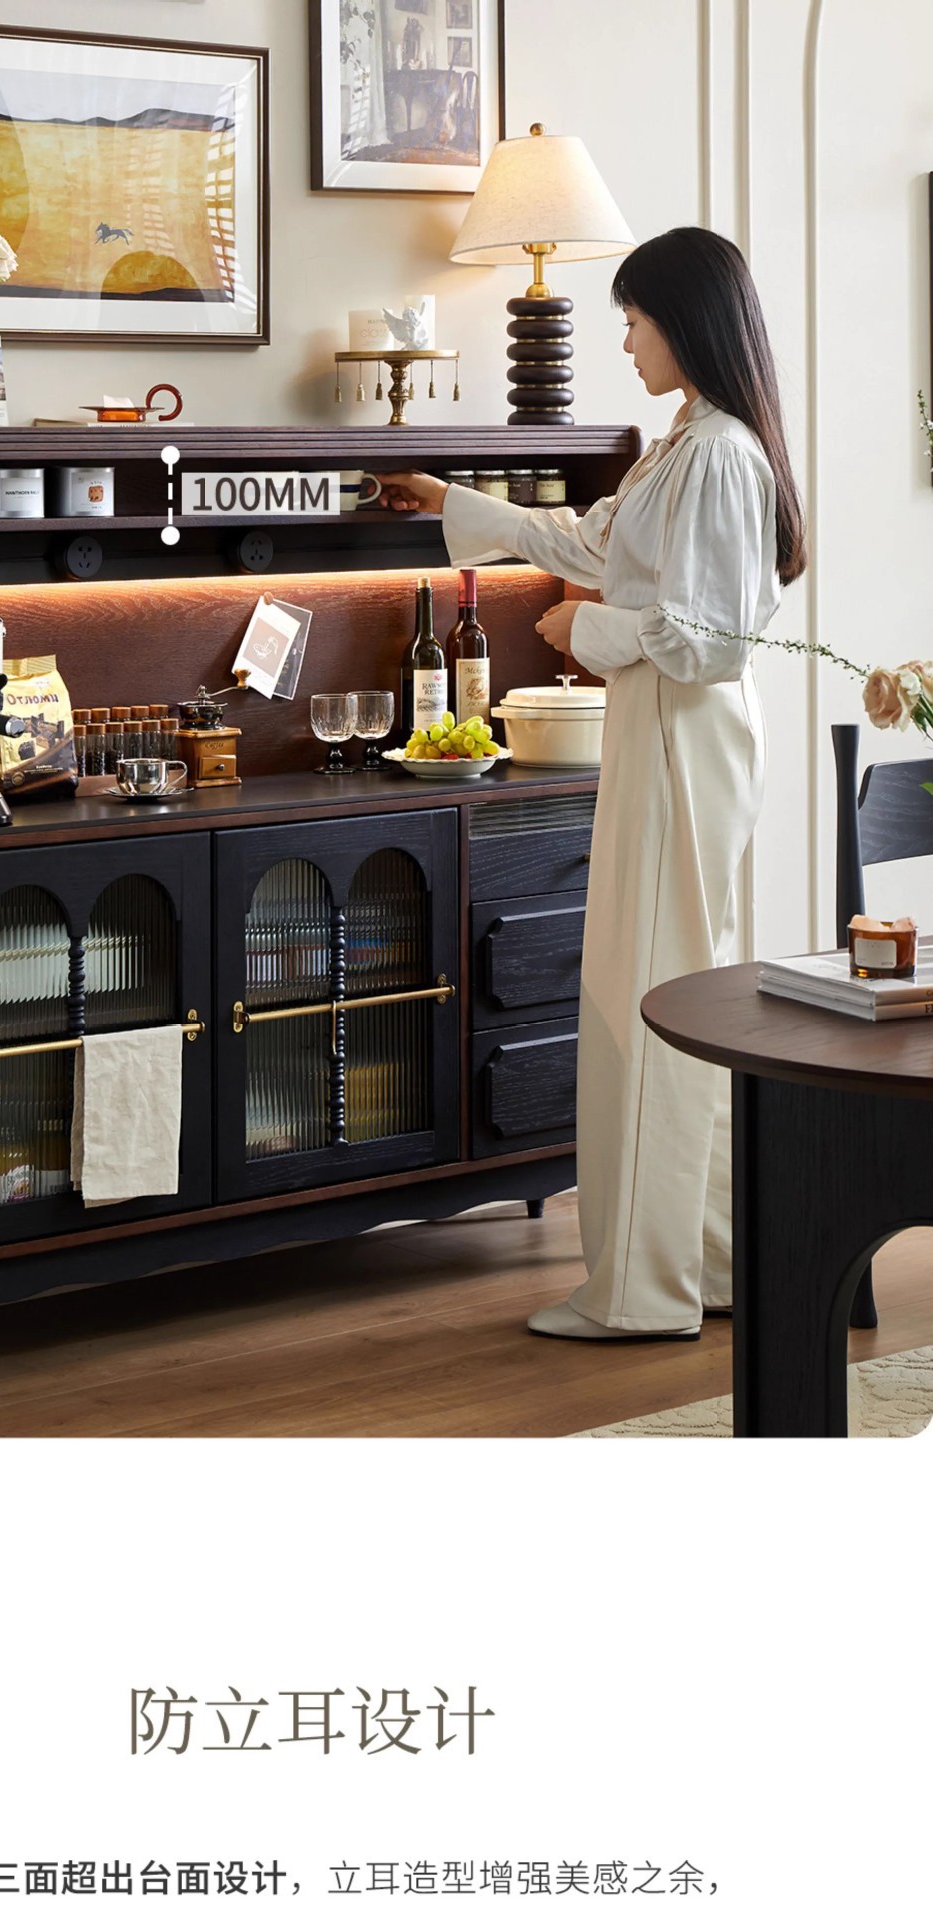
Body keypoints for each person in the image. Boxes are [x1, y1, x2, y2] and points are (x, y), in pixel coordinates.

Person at [376, 226, 806, 1341]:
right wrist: (450, 499)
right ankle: (704, 1260)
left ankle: (643, 1289)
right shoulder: (683, 445)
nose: (625, 343)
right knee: (673, 989)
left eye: (634, 320)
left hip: (683, 732)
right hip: (668, 731)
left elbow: (711, 639)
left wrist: (586, 632)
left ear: (687, 323)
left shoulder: (717, 455)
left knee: (653, 993)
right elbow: (583, 540)